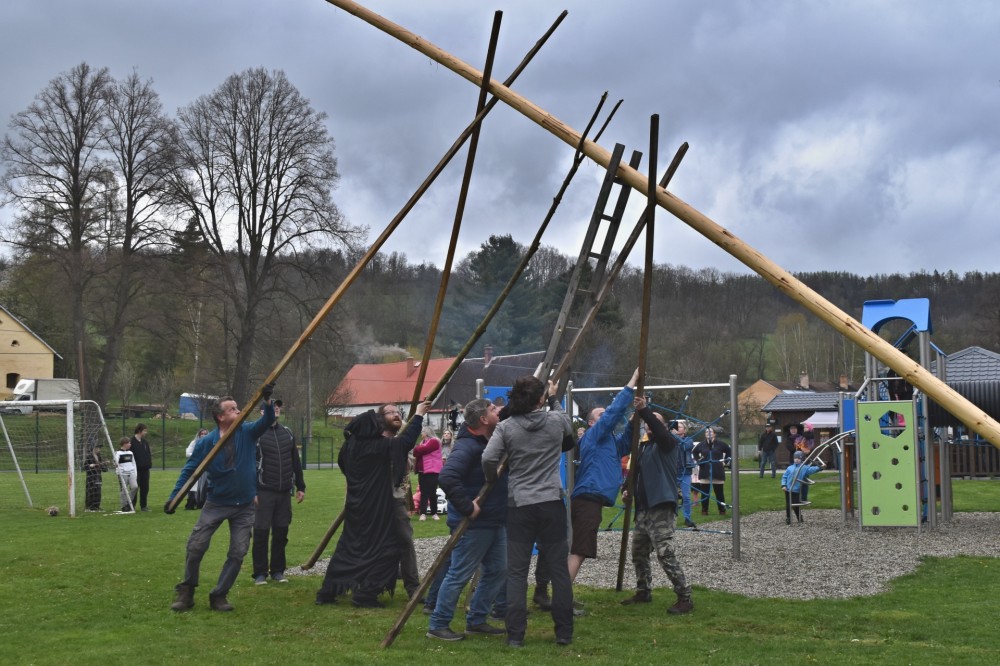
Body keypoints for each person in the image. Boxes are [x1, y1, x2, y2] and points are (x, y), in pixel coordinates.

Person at [482, 376, 576, 648]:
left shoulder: (506, 427)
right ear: (540, 399)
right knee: (558, 570)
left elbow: (488, 458)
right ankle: (564, 633)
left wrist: (492, 478)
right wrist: (554, 397)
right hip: (551, 502)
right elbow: (568, 428)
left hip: (520, 505)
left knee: (517, 572)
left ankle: (515, 635)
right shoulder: (556, 421)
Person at [166, 389, 276, 612]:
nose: (238, 410)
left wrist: (267, 400)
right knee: (196, 546)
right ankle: (187, 591)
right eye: (232, 409)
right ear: (220, 416)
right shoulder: (207, 442)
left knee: (238, 552)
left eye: (237, 407)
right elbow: (190, 470)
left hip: (244, 506)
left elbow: (267, 420)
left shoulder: (247, 432)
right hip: (216, 503)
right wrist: (174, 497)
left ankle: (219, 595)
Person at [315, 399, 431, 607]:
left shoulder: (351, 446)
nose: (395, 414)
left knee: (350, 548)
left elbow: (345, 466)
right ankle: (367, 592)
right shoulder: (379, 445)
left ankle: (328, 591)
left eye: (397, 412)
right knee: (388, 549)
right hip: (379, 506)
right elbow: (405, 442)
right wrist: (419, 414)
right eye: (389, 413)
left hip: (359, 505)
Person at [426, 398, 507, 641]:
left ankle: (477, 620)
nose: (497, 411)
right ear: (483, 419)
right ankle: (438, 624)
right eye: (492, 409)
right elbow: (447, 477)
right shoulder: (467, 447)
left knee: (498, 570)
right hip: (474, 524)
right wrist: (467, 506)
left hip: (493, 519)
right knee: (459, 574)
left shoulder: (486, 441)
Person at [621, 395, 693, 614]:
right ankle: (643, 591)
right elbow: (635, 472)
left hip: (661, 505)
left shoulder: (668, 443)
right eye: (647, 423)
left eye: (654, 422)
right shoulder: (643, 447)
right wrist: (626, 489)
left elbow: (660, 431)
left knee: (665, 553)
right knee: (638, 553)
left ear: (663, 426)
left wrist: (645, 411)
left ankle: (685, 597)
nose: (649, 426)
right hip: (644, 509)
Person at [568, 368, 638, 584]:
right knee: (580, 550)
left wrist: (634, 420)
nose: (606, 415)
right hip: (587, 498)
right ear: (591, 423)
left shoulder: (609, 441)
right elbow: (612, 414)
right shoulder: (593, 435)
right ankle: (562, 596)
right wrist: (632, 382)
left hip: (593, 499)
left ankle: (562, 594)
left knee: (580, 548)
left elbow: (627, 443)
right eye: (601, 414)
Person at [252, 399, 305, 585]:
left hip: (284, 492)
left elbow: (295, 461)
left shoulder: (287, 433)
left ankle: (277, 571)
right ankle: (260, 573)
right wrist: (253, 490)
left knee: (281, 533)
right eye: (271, 407)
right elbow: (250, 464)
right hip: (263, 491)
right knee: (261, 533)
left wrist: (301, 486)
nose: (276, 408)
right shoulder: (256, 434)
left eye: (277, 407)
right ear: (262, 412)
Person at [692, 427, 731, 516]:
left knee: (719, 493)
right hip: (705, 471)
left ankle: (722, 510)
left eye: (710, 432)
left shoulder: (721, 444)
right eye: (706, 432)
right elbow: (694, 452)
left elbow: (729, 451)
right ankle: (704, 511)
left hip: (717, 471)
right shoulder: (701, 444)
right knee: (705, 494)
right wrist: (699, 461)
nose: (708, 433)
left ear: (714, 434)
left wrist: (725, 461)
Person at [782, 450, 825, 524]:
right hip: (788, 489)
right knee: (788, 504)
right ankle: (788, 518)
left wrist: (820, 467)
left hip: (796, 490)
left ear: (802, 459)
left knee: (795, 504)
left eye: (798, 458)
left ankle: (799, 517)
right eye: (795, 458)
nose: (796, 460)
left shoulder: (804, 468)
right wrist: (783, 485)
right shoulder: (789, 468)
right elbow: (784, 477)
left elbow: (812, 469)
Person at [414, 427, 443, 521]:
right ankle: (423, 513)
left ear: (427, 432)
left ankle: (434, 513)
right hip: (422, 471)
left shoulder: (434, 441)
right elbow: (415, 453)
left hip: (432, 470)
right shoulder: (422, 442)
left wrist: (417, 448)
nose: (421, 433)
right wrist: (418, 448)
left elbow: (424, 449)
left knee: (432, 492)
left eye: (422, 432)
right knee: (423, 492)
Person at [672, 420, 697, 529]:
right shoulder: (671, 439)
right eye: (676, 426)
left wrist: (674, 435)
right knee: (672, 497)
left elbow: (684, 446)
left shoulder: (689, 440)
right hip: (672, 472)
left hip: (685, 472)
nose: (677, 428)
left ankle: (687, 518)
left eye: (680, 427)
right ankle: (672, 518)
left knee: (686, 497)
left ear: (685, 430)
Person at [184, 428, 210, 510]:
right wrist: (197, 455)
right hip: (195, 466)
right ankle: (191, 503)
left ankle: (202, 503)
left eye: (205, 434)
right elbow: (188, 453)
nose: (203, 435)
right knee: (193, 485)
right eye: (202, 433)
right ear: (199, 434)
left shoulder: (210, 443)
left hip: (206, 467)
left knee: (204, 485)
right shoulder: (194, 442)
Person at [130, 423, 153, 512]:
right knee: (134, 487)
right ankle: (132, 505)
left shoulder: (145, 442)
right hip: (135, 470)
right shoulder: (131, 442)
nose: (146, 432)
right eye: (144, 431)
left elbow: (148, 454)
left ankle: (144, 506)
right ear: (139, 431)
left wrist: (148, 463)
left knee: (145, 488)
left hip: (145, 469)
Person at [114, 437, 138, 512]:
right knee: (124, 489)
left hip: (131, 473)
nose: (130, 444)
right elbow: (115, 462)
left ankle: (128, 502)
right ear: (124, 444)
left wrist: (135, 473)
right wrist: (115, 464)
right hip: (122, 473)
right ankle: (124, 506)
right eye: (129, 443)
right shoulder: (118, 453)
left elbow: (133, 463)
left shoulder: (130, 453)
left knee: (135, 487)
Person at [83, 440, 107, 511]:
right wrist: (90, 466)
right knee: (91, 491)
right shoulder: (89, 456)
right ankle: (90, 506)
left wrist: (104, 465)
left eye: (99, 448)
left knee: (98, 491)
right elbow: (85, 467)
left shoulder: (99, 456)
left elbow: (102, 467)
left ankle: (97, 506)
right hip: (91, 478)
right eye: (97, 447)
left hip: (98, 476)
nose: (99, 449)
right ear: (93, 448)